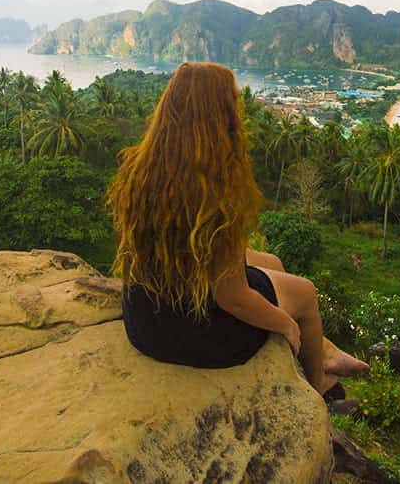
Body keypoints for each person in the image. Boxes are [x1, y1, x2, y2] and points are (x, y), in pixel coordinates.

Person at [109, 61, 368, 394]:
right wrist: (285, 323)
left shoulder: (139, 168)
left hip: (145, 321)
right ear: (222, 116)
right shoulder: (216, 188)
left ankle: (328, 352)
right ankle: (318, 384)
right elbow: (232, 298)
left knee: (271, 263)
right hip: (196, 335)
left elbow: (194, 256)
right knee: (304, 292)